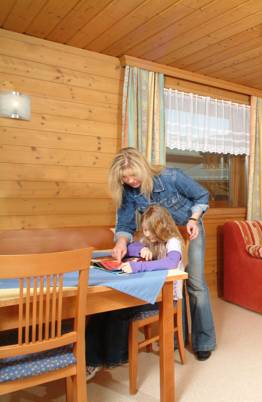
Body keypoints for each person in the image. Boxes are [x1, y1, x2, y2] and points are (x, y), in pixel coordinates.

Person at [108, 147, 215, 361]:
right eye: (125, 178)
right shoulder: (128, 191)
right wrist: (121, 243)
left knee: (195, 284)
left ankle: (203, 341)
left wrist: (193, 219)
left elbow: (202, 195)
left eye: (133, 175)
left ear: (143, 168)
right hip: (162, 238)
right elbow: (125, 225)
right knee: (171, 284)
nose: (130, 181)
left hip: (190, 229)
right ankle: (177, 337)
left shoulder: (171, 176)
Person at [86, 205, 185, 380]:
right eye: (144, 230)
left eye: (149, 230)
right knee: (102, 309)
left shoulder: (173, 241)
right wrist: (141, 249)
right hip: (149, 290)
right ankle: (94, 360)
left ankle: (115, 357)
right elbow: (131, 248)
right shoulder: (150, 239)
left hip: (166, 297)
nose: (146, 234)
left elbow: (171, 262)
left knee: (120, 309)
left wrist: (138, 266)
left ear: (161, 227)